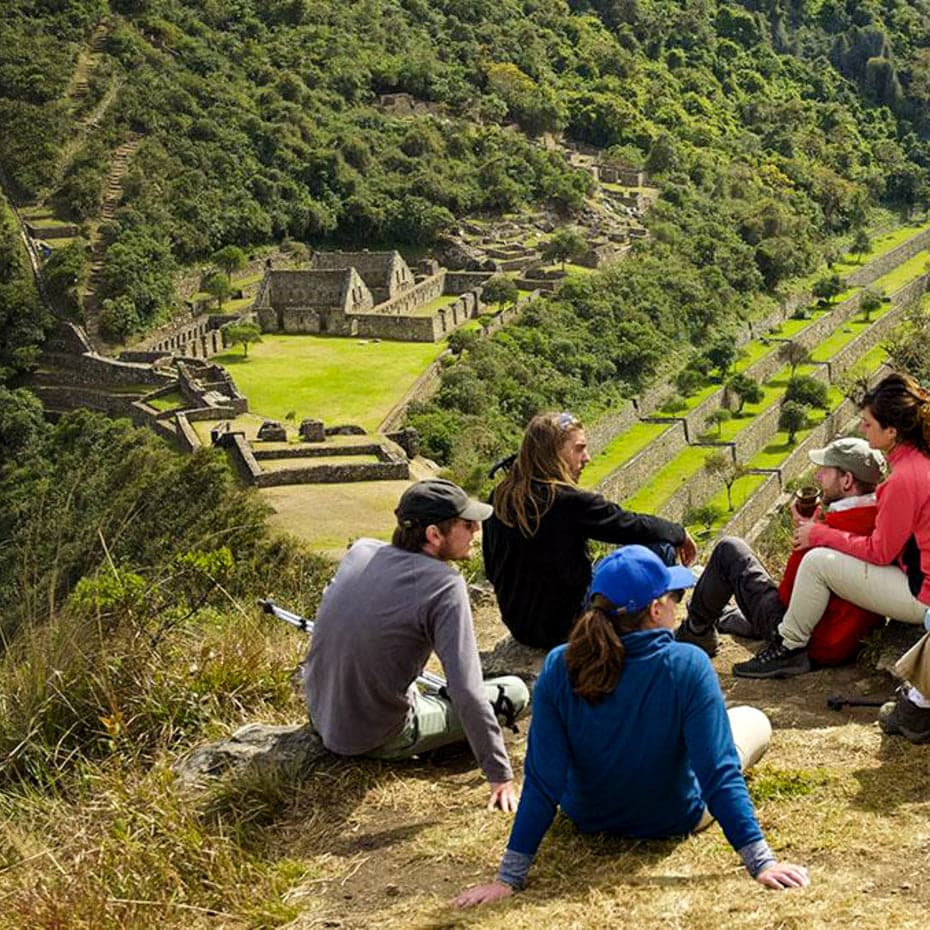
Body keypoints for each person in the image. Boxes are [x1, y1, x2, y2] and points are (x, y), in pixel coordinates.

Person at [454, 546, 809, 907]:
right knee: (752, 720)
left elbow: (543, 780)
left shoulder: (561, 664)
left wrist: (508, 877)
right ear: (656, 609)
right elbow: (718, 773)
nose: (677, 605)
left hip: (588, 815)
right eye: (674, 597)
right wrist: (761, 862)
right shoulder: (688, 664)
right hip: (673, 816)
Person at [302, 478, 530, 809]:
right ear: (434, 535)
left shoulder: (362, 549)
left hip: (322, 715)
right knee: (515, 690)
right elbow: (466, 690)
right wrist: (499, 775)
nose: (476, 531)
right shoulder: (445, 585)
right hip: (378, 736)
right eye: (466, 524)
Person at [732, 373, 930, 742]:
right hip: (917, 580)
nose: (862, 428)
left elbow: (879, 550)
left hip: (921, 594)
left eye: (868, 423)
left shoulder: (903, 478)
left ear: (891, 432)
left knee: (817, 560)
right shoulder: (919, 462)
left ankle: (789, 646)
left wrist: (819, 533)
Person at [483, 411, 696, 649]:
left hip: (522, 628)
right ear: (552, 452)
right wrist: (679, 533)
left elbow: (492, 570)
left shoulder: (500, 496)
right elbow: (631, 525)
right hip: (568, 626)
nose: (587, 458)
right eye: (579, 448)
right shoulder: (568, 502)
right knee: (659, 548)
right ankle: (640, 633)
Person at [675, 437, 885, 669]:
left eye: (826, 471)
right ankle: (730, 619)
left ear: (846, 480)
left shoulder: (833, 531)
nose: (818, 477)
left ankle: (696, 631)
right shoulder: (882, 520)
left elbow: (788, 595)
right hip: (849, 636)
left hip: (813, 641)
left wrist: (803, 536)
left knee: (730, 549)